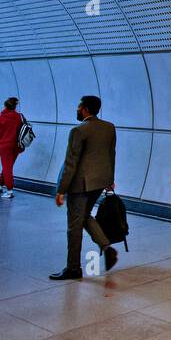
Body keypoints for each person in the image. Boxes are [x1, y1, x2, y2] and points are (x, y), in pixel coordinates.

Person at [51, 95, 117, 280]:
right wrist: (110, 179)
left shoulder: (78, 131)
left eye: (79, 107)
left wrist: (61, 190)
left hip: (80, 185)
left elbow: (71, 163)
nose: (77, 110)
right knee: (85, 216)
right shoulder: (109, 127)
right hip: (99, 182)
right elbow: (111, 154)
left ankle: (73, 268)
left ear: (85, 109)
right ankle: (106, 247)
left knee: (74, 226)